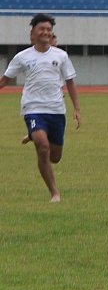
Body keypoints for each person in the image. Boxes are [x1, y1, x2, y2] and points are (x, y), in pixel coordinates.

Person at [0, 13, 81, 202]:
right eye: (41, 29)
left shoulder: (61, 56)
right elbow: (5, 80)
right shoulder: (22, 57)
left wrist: (76, 108)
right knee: (42, 148)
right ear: (33, 33)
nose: (45, 32)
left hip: (56, 110)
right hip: (33, 108)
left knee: (55, 157)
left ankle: (33, 133)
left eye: (48, 29)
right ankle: (54, 192)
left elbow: (70, 82)